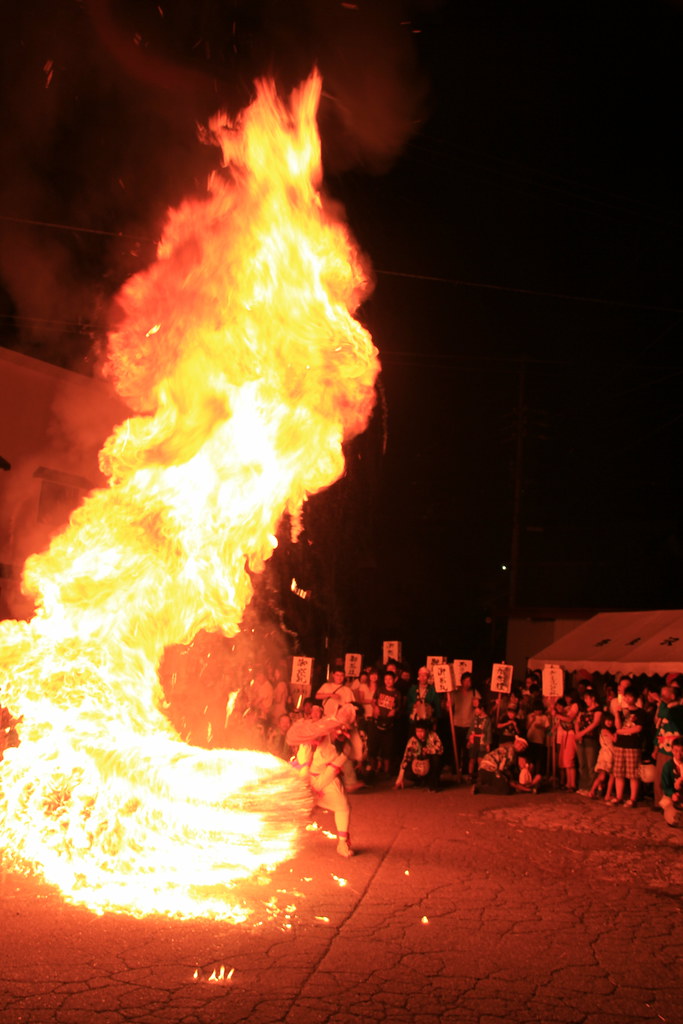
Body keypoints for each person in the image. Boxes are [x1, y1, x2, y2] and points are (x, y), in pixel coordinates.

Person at [287, 714, 356, 857]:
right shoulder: (307, 741)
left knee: (342, 807)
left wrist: (342, 757)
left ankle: (342, 843)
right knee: (298, 811)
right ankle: (286, 839)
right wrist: (304, 784)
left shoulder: (344, 743)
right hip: (307, 779)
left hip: (327, 780)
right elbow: (304, 763)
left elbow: (337, 764)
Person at [609, 685, 647, 807]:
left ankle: (632, 798)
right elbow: (618, 726)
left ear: (635, 698)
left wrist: (622, 732)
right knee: (618, 772)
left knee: (633, 773)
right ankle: (619, 796)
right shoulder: (622, 712)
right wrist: (616, 713)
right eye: (626, 696)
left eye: (630, 696)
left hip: (633, 745)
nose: (627, 698)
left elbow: (638, 728)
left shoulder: (640, 712)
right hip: (620, 745)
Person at [394, 720, 443, 791]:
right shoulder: (412, 741)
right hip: (418, 765)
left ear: (426, 730)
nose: (420, 734)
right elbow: (406, 758)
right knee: (407, 772)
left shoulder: (433, 735)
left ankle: (433, 782)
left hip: (430, 763)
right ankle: (421, 781)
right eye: (418, 731)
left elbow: (440, 749)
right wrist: (400, 778)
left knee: (436, 758)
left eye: (422, 731)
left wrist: (429, 750)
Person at [373, 668, 402, 774]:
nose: (388, 681)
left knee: (388, 748)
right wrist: (375, 707)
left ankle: (386, 771)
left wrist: (394, 710)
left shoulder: (397, 693)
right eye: (386, 679)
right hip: (377, 721)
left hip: (389, 723)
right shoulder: (380, 689)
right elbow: (374, 701)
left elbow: (399, 707)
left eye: (390, 679)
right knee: (374, 746)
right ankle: (373, 769)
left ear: (395, 680)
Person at [575, 691, 602, 793]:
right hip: (581, 739)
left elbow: (594, 724)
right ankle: (583, 786)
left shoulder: (598, 710)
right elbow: (577, 722)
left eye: (587, 698)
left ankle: (592, 787)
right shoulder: (584, 710)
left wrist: (581, 733)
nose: (586, 701)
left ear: (593, 698)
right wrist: (578, 733)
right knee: (582, 764)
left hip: (591, 739)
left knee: (591, 763)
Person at [589, 711, 616, 801]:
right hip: (607, 755)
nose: (609, 722)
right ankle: (595, 791)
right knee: (605, 776)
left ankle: (597, 792)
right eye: (607, 720)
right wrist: (619, 731)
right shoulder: (604, 730)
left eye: (611, 721)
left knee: (607, 776)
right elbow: (614, 739)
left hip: (609, 754)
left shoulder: (605, 730)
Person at [465, 693, 491, 780]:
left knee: (480, 759)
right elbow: (471, 728)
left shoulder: (487, 720)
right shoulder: (475, 719)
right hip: (474, 741)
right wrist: (469, 740)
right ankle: (470, 775)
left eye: (477, 708)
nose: (476, 710)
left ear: (482, 709)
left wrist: (488, 744)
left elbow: (488, 732)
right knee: (472, 759)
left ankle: (480, 776)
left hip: (482, 742)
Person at [659, 736, 683, 826]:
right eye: (676, 751)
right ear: (672, 750)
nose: (679, 754)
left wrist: (680, 780)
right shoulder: (668, 766)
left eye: (681, 751)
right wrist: (672, 794)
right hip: (673, 794)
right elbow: (665, 786)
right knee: (668, 807)